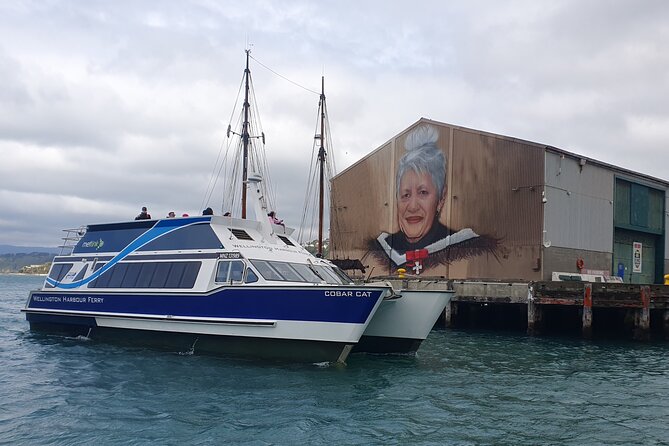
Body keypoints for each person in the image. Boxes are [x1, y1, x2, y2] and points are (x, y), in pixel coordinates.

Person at [372, 125, 498, 270]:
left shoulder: (468, 249)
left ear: (441, 198)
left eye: (423, 192)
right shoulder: (382, 248)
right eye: (405, 195)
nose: (412, 206)